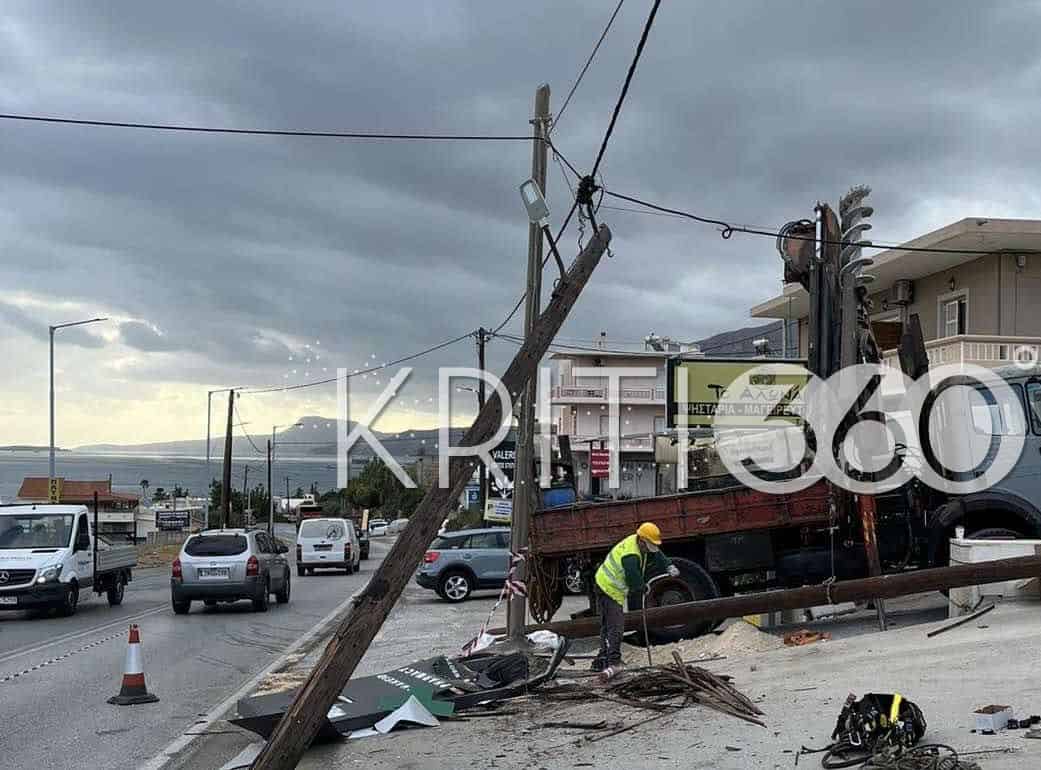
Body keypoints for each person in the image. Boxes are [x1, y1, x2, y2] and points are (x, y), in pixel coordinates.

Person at [591, 522, 679, 672]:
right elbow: (634, 582)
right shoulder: (630, 557)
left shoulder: (638, 541)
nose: (650, 549)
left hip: (610, 587)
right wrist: (643, 587)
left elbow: (656, 553)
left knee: (608, 625)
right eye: (649, 545)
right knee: (616, 626)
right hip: (607, 587)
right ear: (642, 540)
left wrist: (668, 565)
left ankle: (601, 659)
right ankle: (613, 662)